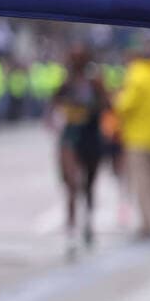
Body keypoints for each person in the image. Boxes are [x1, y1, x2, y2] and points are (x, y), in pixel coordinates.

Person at [50, 47, 109, 254]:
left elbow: (107, 105)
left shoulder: (95, 83)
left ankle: (88, 224)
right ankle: (71, 232)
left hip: (90, 137)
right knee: (72, 187)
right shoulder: (66, 84)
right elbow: (53, 106)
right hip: (71, 139)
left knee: (89, 186)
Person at [113, 48, 150, 239]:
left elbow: (126, 105)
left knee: (144, 184)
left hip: (138, 137)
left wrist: (117, 98)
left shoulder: (137, 75)